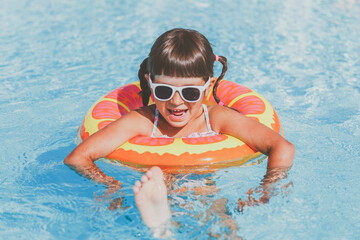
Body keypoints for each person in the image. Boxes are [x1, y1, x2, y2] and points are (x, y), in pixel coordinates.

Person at [64, 28, 295, 237]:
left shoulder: (216, 117)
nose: (176, 101)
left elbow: (282, 147)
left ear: (208, 87)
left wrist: (265, 190)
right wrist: (110, 185)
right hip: (171, 191)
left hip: (202, 193)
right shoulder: (143, 120)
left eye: (191, 93)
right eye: (164, 90)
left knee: (220, 223)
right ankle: (161, 218)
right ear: (150, 83)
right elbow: (77, 157)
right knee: (221, 224)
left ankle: (161, 226)